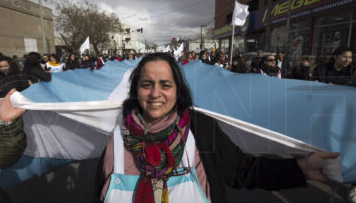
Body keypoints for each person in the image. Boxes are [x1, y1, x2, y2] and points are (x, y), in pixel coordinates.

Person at [94, 52, 339, 203]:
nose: (155, 93)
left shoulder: (200, 128)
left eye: (165, 84)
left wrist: (301, 168)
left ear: (177, 90)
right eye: (147, 84)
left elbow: (244, 170)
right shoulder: (118, 138)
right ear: (136, 90)